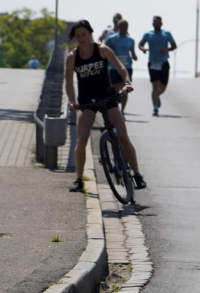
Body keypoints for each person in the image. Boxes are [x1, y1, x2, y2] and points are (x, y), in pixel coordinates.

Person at [65, 19, 146, 193]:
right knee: (82, 140)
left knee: (123, 137)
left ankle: (138, 175)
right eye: (77, 36)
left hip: (106, 97)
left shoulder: (102, 50)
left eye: (84, 34)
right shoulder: (72, 57)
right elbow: (69, 84)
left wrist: (127, 83)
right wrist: (72, 101)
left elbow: (121, 69)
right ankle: (79, 180)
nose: (81, 38)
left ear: (90, 34)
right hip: (86, 101)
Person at [138, 15, 177, 116]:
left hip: (164, 63)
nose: (157, 24)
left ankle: (156, 97)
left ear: (161, 23)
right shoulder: (148, 34)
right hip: (153, 63)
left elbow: (174, 45)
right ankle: (155, 108)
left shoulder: (166, 34)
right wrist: (143, 49)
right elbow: (140, 44)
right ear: (152, 23)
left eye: (158, 22)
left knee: (162, 88)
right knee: (155, 86)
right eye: (155, 22)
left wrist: (167, 49)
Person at [103, 18, 138, 113]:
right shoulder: (111, 39)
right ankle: (115, 110)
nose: (124, 28)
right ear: (118, 27)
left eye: (126, 26)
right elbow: (104, 51)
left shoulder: (130, 40)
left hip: (127, 68)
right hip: (114, 67)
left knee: (125, 89)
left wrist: (134, 56)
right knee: (114, 89)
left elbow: (132, 52)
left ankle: (122, 110)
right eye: (122, 26)